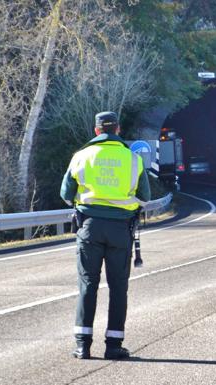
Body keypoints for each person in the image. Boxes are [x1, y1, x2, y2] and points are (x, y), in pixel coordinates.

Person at [60, 111, 150, 360]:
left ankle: (82, 345)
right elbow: (144, 197)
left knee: (88, 284)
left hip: (89, 228)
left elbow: (66, 193)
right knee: (118, 287)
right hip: (121, 230)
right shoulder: (132, 159)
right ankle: (113, 345)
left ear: (97, 130)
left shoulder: (81, 156)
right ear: (118, 129)